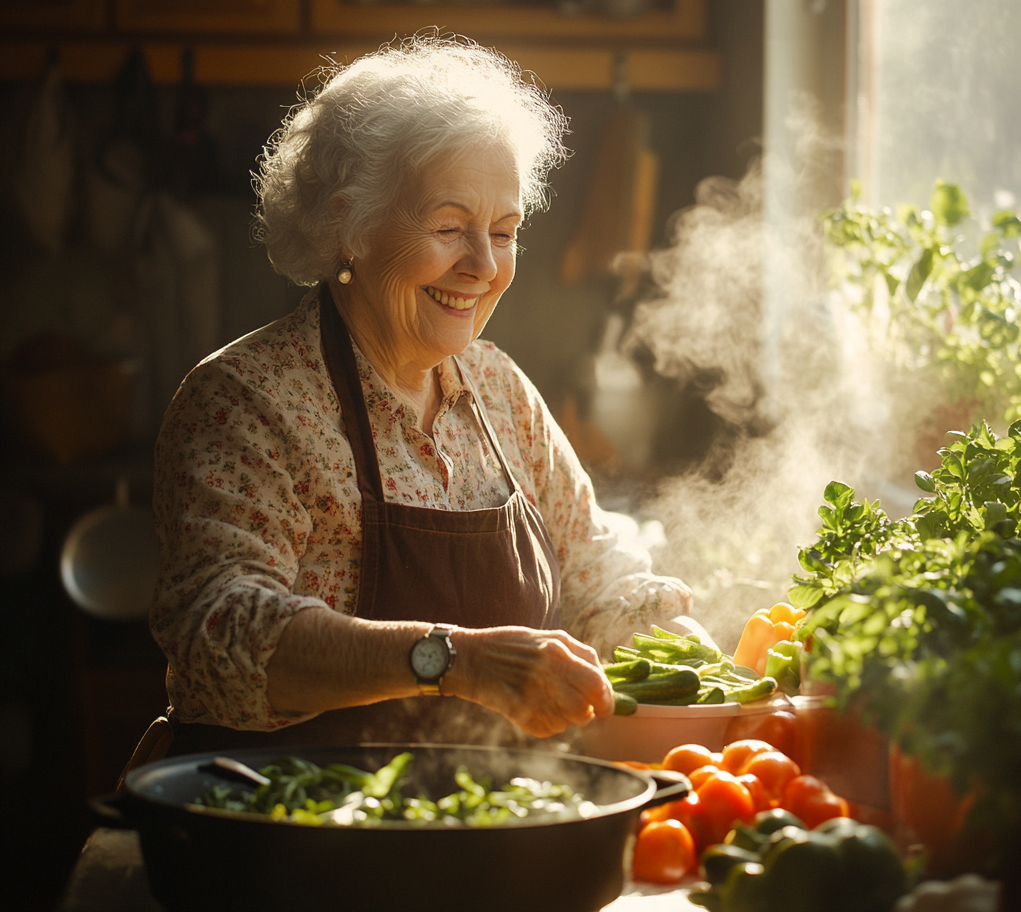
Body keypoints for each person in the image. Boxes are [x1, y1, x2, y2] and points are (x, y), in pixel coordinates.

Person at [141, 37, 692, 758]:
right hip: (289, 833)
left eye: (504, 232)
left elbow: (593, 574)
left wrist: (705, 666)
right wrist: (452, 662)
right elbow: (222, 636)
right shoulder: (247, 401)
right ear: (348, 226)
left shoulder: (499, 392)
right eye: (448, 228)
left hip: (481, 824)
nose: (484, 267)